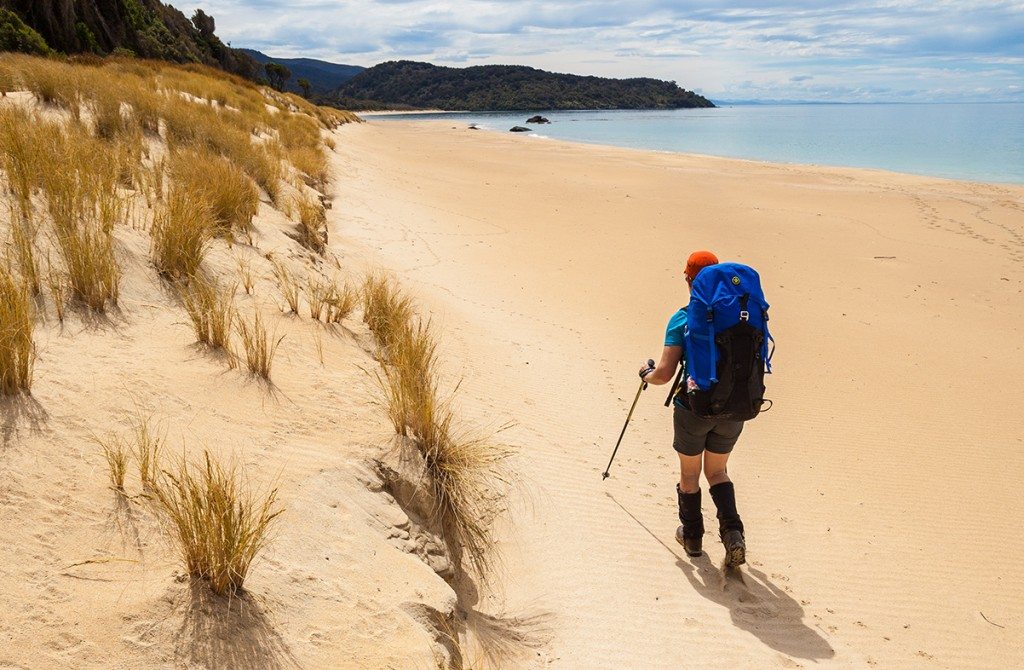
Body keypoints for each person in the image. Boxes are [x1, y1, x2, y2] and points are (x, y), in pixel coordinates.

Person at [638, 250, 747, 567]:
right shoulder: (739, 315)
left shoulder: (684, 317)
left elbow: (664, 374)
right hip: (734, 409)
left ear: (688, 279)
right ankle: (733, 535)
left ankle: (692, 537)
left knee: (690, 473)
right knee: (718, 472)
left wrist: (645, 374)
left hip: (693, 408)